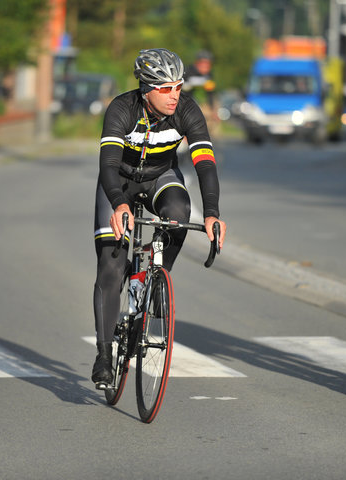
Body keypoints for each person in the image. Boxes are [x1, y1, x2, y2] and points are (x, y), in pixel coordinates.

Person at [91, 48, 227, 387]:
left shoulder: (187, 110)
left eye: (178, 86)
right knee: (111, 265)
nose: (174, 95)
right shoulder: (121, 109)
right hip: (118, 182)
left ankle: (154, 277)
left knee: (179, 213)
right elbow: (107, 165)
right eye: (166, 89)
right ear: (146, 88)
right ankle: (105, 356)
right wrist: (119, 204)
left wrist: (212, 213)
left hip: (160, 176)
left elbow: (205, 164)